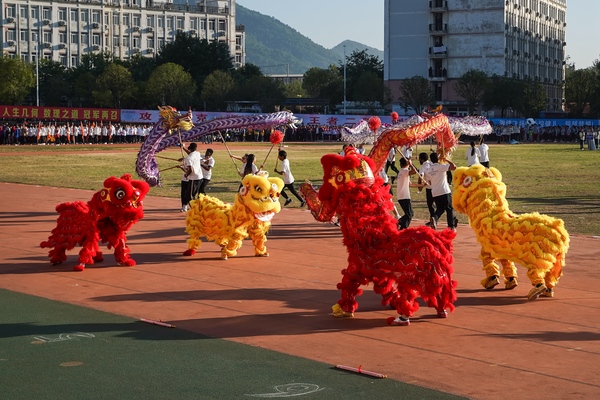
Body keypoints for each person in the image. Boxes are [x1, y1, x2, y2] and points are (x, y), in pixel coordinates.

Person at [427, 153, 457, 231]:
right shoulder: (441, 167)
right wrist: (446, 160)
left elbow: (430, 182)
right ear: (438, 159)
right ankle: (451, 226)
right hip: (444, 191)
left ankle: (435, 218)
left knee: (440, 209)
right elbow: (454, 167)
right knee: (449, 209)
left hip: (435, 192)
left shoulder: (428, 170)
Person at [396, 157, 423, 230]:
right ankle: (401, 224)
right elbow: (414, 171)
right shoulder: (404, 171)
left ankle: (402, 226)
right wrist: (411, 165)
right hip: (404, 196)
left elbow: (410, 184)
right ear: (407, 163)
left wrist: (422, 185)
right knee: (409, 214)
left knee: (409, 214)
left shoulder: (401, 172)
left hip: (402, 196)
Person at [178, 142, 202, 212]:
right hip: (199, 177)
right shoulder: (197, 153)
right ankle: (191, 207)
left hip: (193, 178)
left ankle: (195, 210)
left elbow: (190, 169)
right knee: (191, 194)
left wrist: (186, 174)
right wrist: (183, 148)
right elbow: (191, 154)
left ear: (190, 148)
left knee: (190, 196)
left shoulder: (188, 158)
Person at [418, 152, 436, 223]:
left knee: (430, 205)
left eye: (419, 159)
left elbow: (421, 176)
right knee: (441, 204)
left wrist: (420, 187)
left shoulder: (423, 167)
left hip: (429, 188)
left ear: (422, 160)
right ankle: (452, 218)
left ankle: (433, 219)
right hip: (437, 186)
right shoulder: (431, 163)